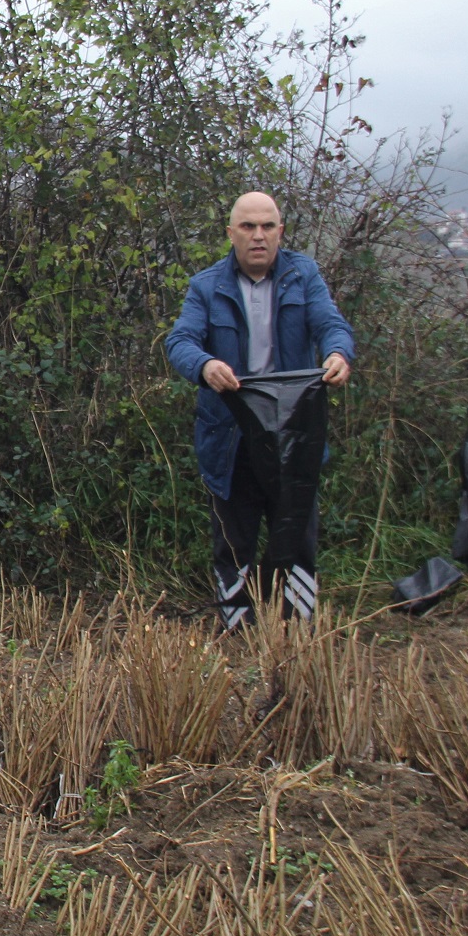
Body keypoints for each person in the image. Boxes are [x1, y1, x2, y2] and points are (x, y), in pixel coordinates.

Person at [166, 191, 354, 628]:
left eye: (267, 226)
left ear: (280, 232)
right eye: (248, 227)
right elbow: (180, 342)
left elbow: (331, 325)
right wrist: (206, 365)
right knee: (234, 541)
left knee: (298, 535)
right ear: (230, 233)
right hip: (230, 437)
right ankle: (239, 629)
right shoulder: (206, 286)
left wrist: (338, 355)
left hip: (294, 434)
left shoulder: (304, 275)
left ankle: (295, 629)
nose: (258, 236)